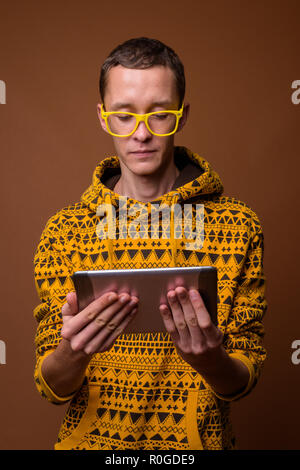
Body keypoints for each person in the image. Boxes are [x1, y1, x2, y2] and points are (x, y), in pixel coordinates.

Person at [33, 37, 267, 451]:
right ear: (103, 117)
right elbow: (52, 387)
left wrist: (210, 360)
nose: (141, 133)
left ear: (182, 115)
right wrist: (74, 351)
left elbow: (243, 379)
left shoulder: (239, 225)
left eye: (159, 114)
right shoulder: (64, 232)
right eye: (123, 116)